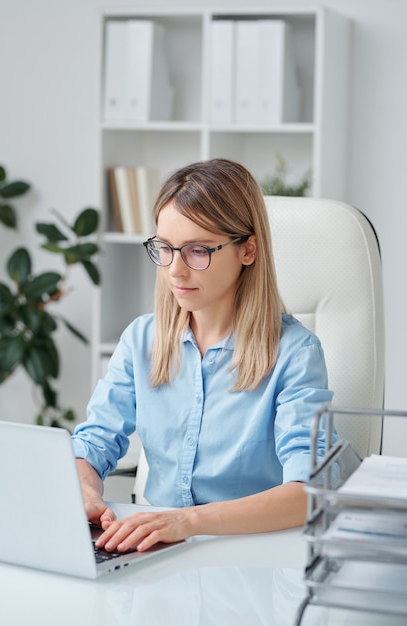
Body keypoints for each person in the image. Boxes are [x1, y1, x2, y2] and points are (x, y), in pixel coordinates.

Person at [72, 158, 333, 555]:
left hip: (251, 557)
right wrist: (87, 490)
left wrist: (186, 522)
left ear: (248, 249)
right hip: (155, 551)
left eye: (197, 251)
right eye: (164, 249)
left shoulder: (295, 354)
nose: (175, 271)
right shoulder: (142, 340)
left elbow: (308, 491)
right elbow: (91, 444)